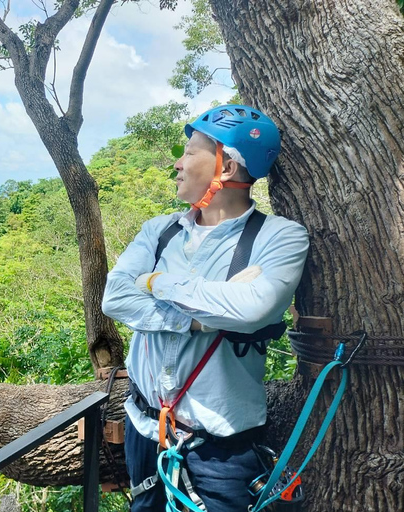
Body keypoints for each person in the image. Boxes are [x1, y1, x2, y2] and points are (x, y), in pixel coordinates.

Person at [101, 105, 310, 511]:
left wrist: (156, 283)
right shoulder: (159, 231)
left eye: (190, 151)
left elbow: (253, 310)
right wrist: (199, 319)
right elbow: (115, 297)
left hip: (221, 448)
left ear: (227, 166)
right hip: (145, 429)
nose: (177, 163)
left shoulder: (280, 238)